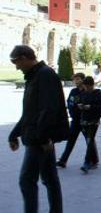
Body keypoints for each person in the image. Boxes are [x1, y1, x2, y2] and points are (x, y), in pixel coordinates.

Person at [8, 45, 68, 213]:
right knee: (50, 179)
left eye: (16, 62)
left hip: (39, 138)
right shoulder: (34, 76)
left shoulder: (45, 75)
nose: (16, 66)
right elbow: (30, 112)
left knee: (27, 180)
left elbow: (49, 109)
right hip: (38, 136)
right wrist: (14, 134)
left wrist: (43, 138)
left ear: (24, 58)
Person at [56, 72, 86, 168]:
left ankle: (94, 159)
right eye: (75, 79)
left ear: (83, 80)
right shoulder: (73, 91)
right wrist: (71, 110)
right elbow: (69, 102)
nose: (76, 81)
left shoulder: (87, 91)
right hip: (75, 120)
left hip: (85, 120)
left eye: (78, 79)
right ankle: (63, 160)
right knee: (71, 140)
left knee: (89, 141)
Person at [78, 76, 101, 173]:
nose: (86, 88)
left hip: (94, 120)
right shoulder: (83, 93)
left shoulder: (98, 93)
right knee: (90, 140)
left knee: (90, 140)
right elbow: (80, 102)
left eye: (87, 86)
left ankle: (87, 162)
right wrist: (80, 106)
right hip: (84, 120)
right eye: (85, 86)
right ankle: (94, 160)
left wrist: (90, 107)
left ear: (92, 85)